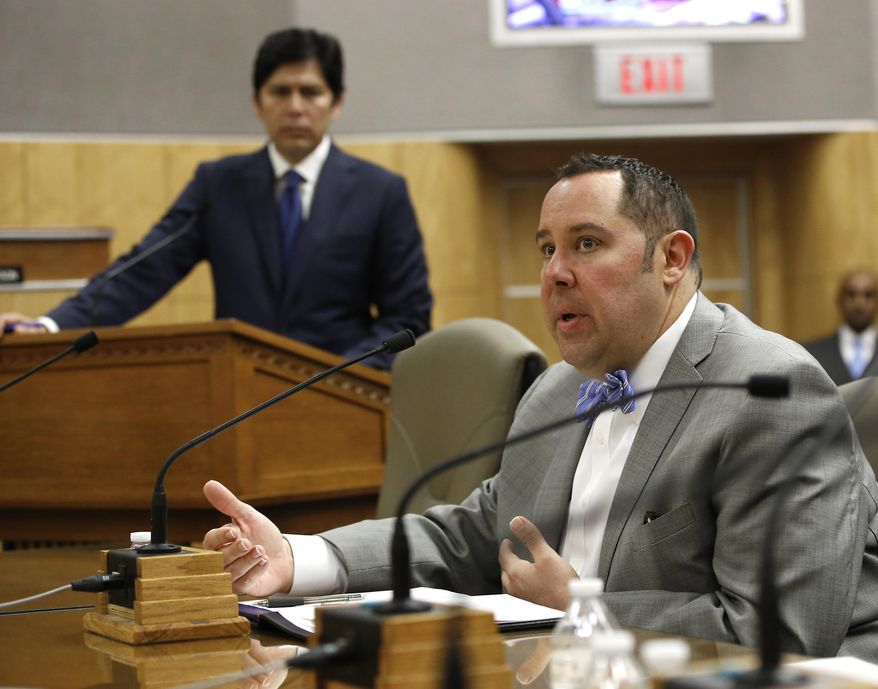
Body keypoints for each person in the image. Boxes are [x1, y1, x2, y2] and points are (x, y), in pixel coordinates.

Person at [201, 153, 878, 660]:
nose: (555, 272)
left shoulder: (768, 393)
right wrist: (298, 556)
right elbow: (472, 533)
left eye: (586, 243)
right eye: (546, 248)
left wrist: (581, 608)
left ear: (671, 258)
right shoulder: (557, 390)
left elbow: (783, 633)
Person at [0, 28, 432, 370]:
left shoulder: (381, 192)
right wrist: (50, 326)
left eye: (311, 92)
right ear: (257, 102)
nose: (296, 107)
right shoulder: (218, 185)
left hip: (342, 397)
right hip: (233, 396)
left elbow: (407, 317)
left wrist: (332, 374)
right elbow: (142, 269)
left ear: (336, 103)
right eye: (280, 92)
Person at [803, 268, 878, 385]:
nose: (860, 303)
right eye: (851, 294)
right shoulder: (810, 354)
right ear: (839, 300)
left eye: (868, 295)